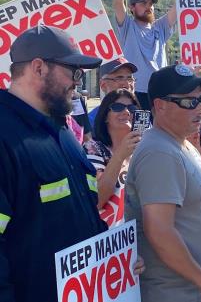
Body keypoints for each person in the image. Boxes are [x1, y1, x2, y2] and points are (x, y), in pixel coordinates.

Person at [0, 25, 143, 301]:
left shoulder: (64, 133)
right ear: (39, 68)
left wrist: (118, 261)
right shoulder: (5, 135)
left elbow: (87, 214)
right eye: (73, 71)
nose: (78, 81)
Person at [125, 64, 201, 302]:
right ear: (160, 106)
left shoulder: (179, 142)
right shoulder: (159, 152)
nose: (200, 108)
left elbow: (196, 212)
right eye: (189, 102)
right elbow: (160, 232)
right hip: (172, 291)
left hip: (190, 285)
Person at [113, 0, 194, 110]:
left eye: (150, 4)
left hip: (160, 91)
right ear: (132, 7)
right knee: (139, 131)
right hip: (136, 92)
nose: (149, 7)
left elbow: (180, 5)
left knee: (160, 130)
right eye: (143, 3)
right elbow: (118, 3)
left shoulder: (160, 27)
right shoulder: (127, 26)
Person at [84, 89, 141, 228]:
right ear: (105, 116)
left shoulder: (144, 149)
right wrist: (120, 156)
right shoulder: (93, 148)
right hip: (110, 240)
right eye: (117, 107)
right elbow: (97, 200)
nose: (126, 112)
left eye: (132, 108)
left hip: (140, 235)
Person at [89, 57, 138, 131]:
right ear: (103, 85)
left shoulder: (140, 117)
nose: (126, 84)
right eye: (119, 78)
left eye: (130, 78)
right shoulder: (91, 121)